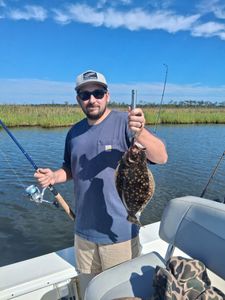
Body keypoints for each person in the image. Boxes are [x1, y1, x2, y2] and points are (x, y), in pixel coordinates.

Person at [34, 70, 168, 297]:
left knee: (122, 294)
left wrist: (141, 132)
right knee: (92, 292)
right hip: (83, 233)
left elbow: (161, 156)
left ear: (107, 95)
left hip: (120, 234)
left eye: (97, 92)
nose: (92, 99)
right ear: (78, 99)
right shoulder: (74, 132)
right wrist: (53, 177)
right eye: (85, 95)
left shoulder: (126, 123)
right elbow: (70, 169)